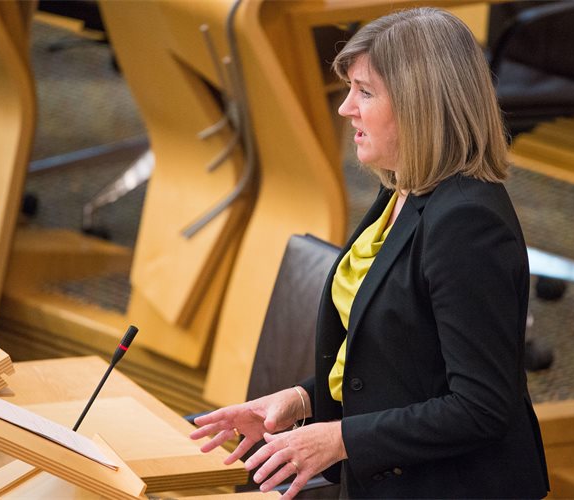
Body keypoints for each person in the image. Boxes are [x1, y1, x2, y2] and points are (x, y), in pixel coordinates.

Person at [190, 7, 550, 499]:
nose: (345, 108)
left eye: (365, 92)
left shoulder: (468, 224)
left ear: (420, 105)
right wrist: (300, 400)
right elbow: (399, 362)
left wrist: (339, 438)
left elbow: (481, 407)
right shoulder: (404, 190)